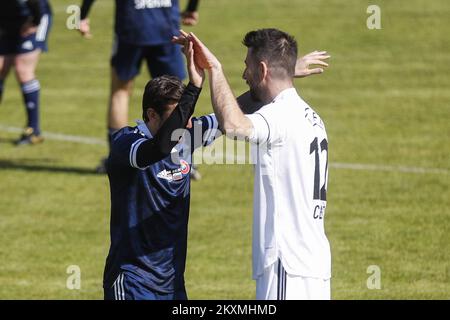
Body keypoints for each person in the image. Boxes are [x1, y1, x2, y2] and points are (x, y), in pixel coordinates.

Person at [175, 29, 332, 300]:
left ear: (262, 69)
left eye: (247, 66)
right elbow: (245, 107)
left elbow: (234, 124)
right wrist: (287, 71)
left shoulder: (279, 116)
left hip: (287, 263)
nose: (244, 75)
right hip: (312, 264)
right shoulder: (310, 116)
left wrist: (215, 69)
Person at [103, 38, 222, 300]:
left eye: (188, 117)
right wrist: (195, 86)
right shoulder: (127, 144)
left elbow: (236, 112)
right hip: (133, 281)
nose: (186, 125)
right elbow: (157, 150)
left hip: (172, 284)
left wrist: (280, 78)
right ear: (151, 115)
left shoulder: (186, 134)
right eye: (177, 117)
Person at [78, 0, 201, 177]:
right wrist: (191, 9)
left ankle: (117, 157)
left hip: (132, 25)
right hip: (165, 26)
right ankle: (182, 159)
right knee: (176, 95)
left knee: (120, 91)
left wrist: (82, 15)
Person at [0, 0, 52, 145]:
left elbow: (37, 4)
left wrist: (34, 21)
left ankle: (33, 131)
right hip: (7, 21)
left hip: (34, 18)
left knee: (23, 70)